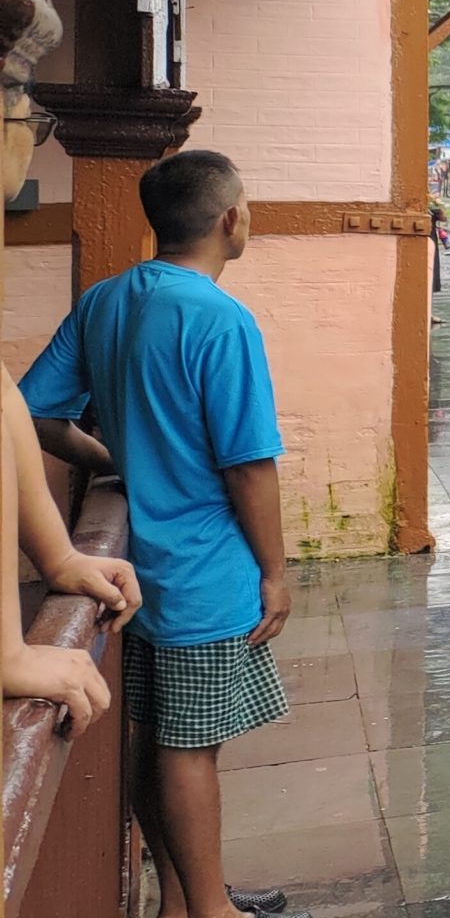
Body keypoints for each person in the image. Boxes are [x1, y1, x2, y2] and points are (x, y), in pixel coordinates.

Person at [21, 149, 304, 918]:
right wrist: (275, 572)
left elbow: (36, 413)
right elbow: (249, 467)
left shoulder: (108, 299)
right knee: (189, 748)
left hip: (130, 563)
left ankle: (183, 902)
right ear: (230, 220)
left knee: (154, 738)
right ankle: (212, 912)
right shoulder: (221, 319)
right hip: (200, 569)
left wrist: (108, 456)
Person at [0, 91, 142, 742]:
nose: (30, 139)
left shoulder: (103, 299)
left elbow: (11, 401)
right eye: (26, 118)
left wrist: (59, 555)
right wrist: (9, 650)